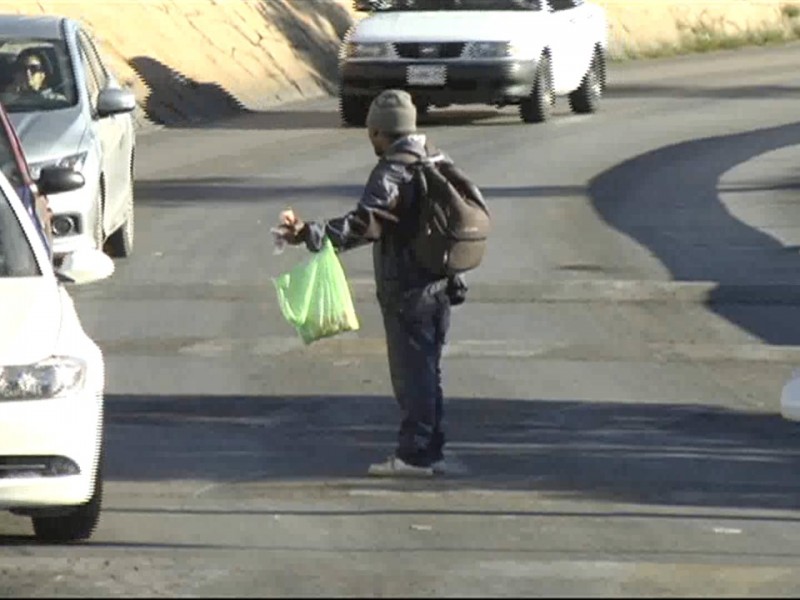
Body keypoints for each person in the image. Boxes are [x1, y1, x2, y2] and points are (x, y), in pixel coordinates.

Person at [275, 89, 467, 477]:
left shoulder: (394, 169)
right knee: (428, 369)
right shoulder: (434, 156)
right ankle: (431, 449)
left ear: (381, 132)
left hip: (410, 286)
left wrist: (309, 234)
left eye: (372, 133)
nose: (370, 140)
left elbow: (364, 223)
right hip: (440, 281)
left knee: (412, 372)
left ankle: (414, 455)